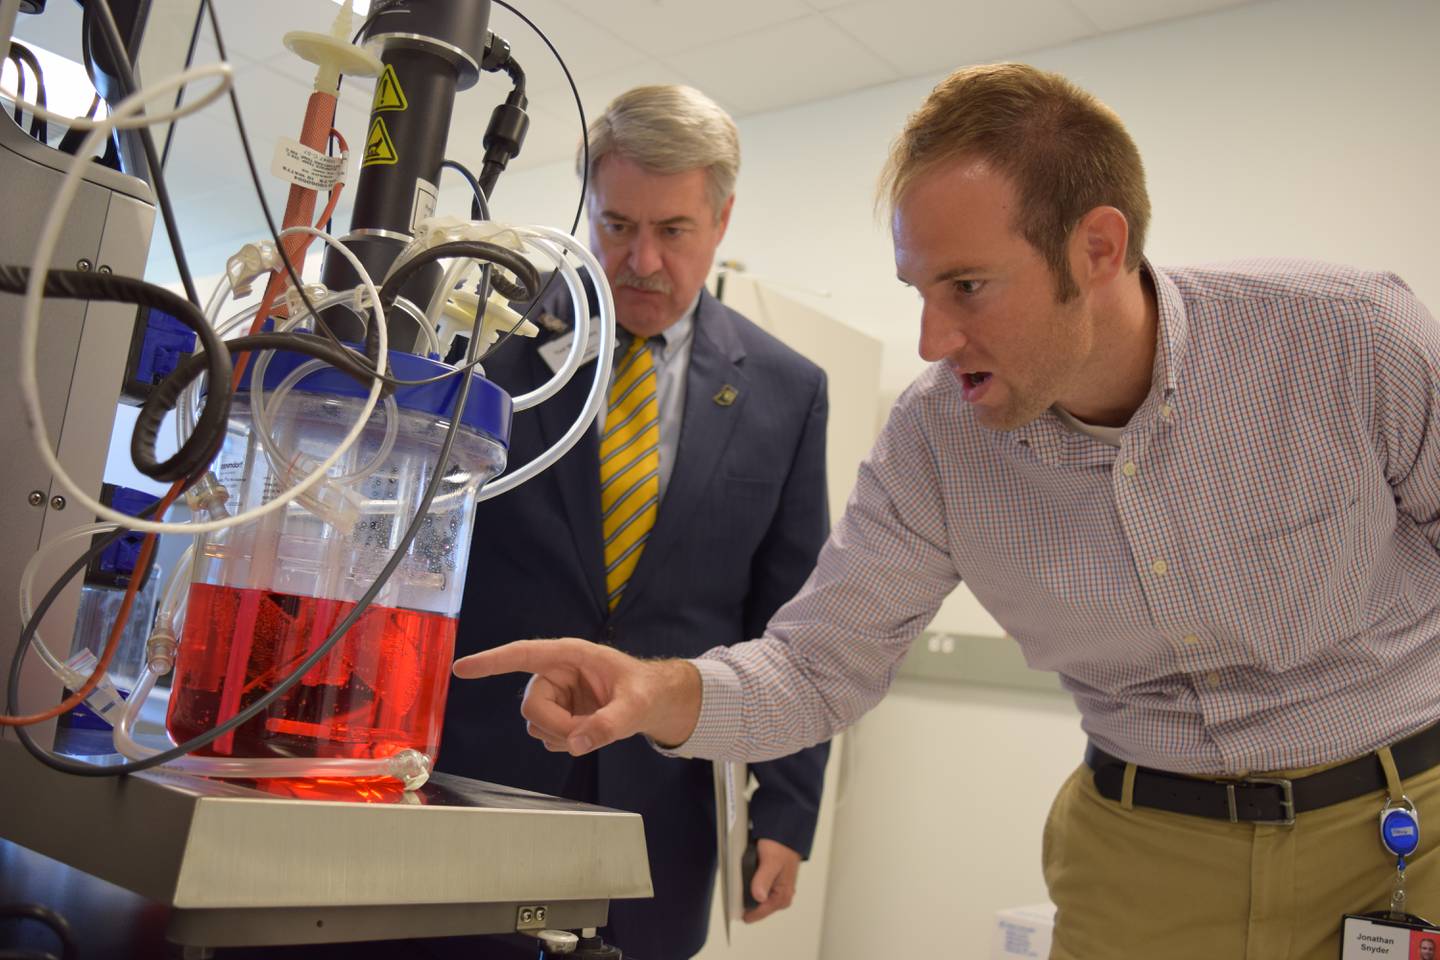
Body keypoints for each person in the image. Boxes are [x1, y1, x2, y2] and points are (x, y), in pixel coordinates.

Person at [453, 62, 1440, 959]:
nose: (931, 340)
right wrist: (656, 693)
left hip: (1406, 832)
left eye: (967, 286)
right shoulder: (939, 438)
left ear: (1097, 247)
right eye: (918, 289)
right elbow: (819, 662)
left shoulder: (1342, 342)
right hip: (1142, 854)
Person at [438, 84, 832, 960]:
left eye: (674, 231)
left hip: (659, 802)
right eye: (616, 226)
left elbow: (793, 622)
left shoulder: (787, 391)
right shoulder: (487, 345)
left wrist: (788, 811)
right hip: (478, 779)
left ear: (722, 219)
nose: (641, 261)